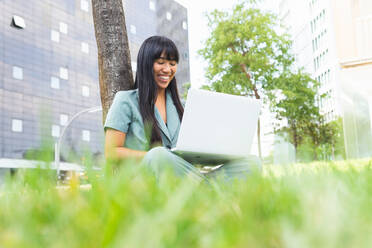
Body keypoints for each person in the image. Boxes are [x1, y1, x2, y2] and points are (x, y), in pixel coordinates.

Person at [104, 36, 261, 183]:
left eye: (172, 64)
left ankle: (199, 191)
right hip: (144, 180)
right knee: (159, 155)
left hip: (186, 177)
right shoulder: (126, 100)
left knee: (252, 162)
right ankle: (206, 192)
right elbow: (111, 152)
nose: (167, 69)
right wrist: (157, 157)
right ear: (146, 63)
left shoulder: (183, 107)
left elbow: (194, 151)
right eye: (161, 62)